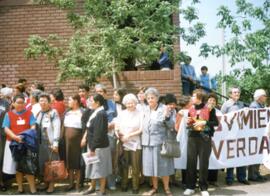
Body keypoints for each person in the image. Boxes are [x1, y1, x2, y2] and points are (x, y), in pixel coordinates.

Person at [183, 89, 218, 196]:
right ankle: (190, 187)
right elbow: (189, 124)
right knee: (191, 163)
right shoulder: (191, 109)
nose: (192, 98)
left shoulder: (210, 109)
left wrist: (205, 122)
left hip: (204, 139)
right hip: (192, 138)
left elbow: (216, 123)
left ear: (199, 98)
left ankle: (203, 188)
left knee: (203, 164)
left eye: (193, 96)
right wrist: (188, 122)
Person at [141, 87, 175, 196]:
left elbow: (171, 126)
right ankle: (155, 188)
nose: (150, 100)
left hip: (161, 143)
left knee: (164, 166)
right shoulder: (145, 109)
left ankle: (166, 188)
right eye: (148, 98)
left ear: (157, 98)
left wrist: (166, 117)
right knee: (151, 167)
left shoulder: (165, 109)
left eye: (152, 97)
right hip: (147, 143)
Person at [2, 94, 37, 194]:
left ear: (25, 103)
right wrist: (15, 137)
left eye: (22, 102)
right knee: (17, 167)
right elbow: (6, 128)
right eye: (18, 102)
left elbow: (33, 126)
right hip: (13, 143)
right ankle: (20, 188)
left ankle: (33, 189)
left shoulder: (29, 113)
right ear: (13, 103)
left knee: (28, 167)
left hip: (26, 143)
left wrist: (25, 136)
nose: (21, 105)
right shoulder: (8, 114)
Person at [83, 94, 112, 195]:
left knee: (101, 168)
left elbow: (99, 133)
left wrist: (93, 148)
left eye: (91, 101)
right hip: (93, 145)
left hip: (99, 146)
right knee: (93, 166)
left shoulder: (100, 114)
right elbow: (84, 120)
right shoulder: (95, 112)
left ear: (98, 103)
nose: (90, 102)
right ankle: (92, 187)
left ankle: (102, 190)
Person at [221, 87, 250, 185]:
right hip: (230, 135)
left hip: (241, 134)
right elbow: (222, 118)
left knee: (241, 155)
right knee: (231, 156)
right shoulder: (226, 105)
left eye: (238, 92)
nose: (237, 93)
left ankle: (241, 177)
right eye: (235, 92)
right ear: (230, 94)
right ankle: (229, 178)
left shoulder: (242, 104)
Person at [115, 93, 143, 194]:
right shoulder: (122, 113)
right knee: (124, 164)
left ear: (135, 103)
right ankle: (124, 184)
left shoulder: (140, 113)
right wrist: (119, 135)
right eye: (127, 103)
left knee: (136, 166)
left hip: (135, 143)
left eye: (132, 103)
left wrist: (129, 135)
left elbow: (141, 129)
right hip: (124, 142)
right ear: (125, 104)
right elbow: (117, 127)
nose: (130, 105)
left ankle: (135, 186)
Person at [36, 93, 61, 193]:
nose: (42, 103)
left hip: (50, 143)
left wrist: (56, 143)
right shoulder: (39, 113)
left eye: (45, 101)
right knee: (43, 164)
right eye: (41, 100)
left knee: (52, 164)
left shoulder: (53, 112)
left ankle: (51, 185)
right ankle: (46, 183)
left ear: (49, 102)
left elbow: (57, 128)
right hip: (40, 144)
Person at [95, 84, 117, 190]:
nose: (99, 94)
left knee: (110, 159)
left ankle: (111, 182)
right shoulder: (95, 104)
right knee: (98, 160)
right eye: (97, 92)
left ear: (105, 93)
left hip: (110, 135)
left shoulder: (112, 104)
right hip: (99, 137)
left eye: (101, 92)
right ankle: (99, 184)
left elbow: (117, 117)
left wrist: (112, 124)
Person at [63, 94, 84, 191]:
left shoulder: (82, 112)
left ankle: (77, 185)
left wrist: (84, 139)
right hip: (67, 142)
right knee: (70, 163)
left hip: (78, 141)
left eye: (70, 100)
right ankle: (71, 183)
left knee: (78, 163)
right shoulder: (67, 112)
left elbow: (86, 127)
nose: (68, 102)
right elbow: (63, 126)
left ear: (76, 101)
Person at [248, 89, 268, 182]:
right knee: (254, 155)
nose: (266, 97)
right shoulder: (253, 106)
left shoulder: (260, 105)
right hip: (254, 134)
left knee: (258, 154)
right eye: (264, 95)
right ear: (260, 97)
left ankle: (256, 173)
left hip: (259, 134)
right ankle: (252, 175)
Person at [206, 93, 222, 187]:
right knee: (206, 158)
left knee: (214, 158)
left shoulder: (219, 112)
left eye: (214, 101)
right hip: (207, 138)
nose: (212, 102)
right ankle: (204, 178)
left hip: (217, 139)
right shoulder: (203, 110)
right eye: (210, 100)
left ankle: (213, 179)